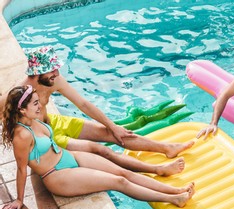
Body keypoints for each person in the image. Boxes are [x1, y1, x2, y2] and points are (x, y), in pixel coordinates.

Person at [0, 86, 195, 209]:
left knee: (123, 172)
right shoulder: (22, 136)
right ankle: (174, 199)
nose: (40, 105)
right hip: (57, 175)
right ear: (22, 110)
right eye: (35, 103)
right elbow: (21, 169)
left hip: (67, 157)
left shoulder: (36, 119)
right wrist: (19, 199)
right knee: (119, 182)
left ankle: (176, 189)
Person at [1, 46, 194, 176]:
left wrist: (112, 126)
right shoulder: (17, 95)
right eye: (51, 70)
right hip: (46, 138)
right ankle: (158, 169)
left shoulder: (54, 81)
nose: (57, 73)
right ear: (37, 73)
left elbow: (83, 104)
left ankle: (166, 148)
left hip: (55, 123)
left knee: (114, 133)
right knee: (103, 151)